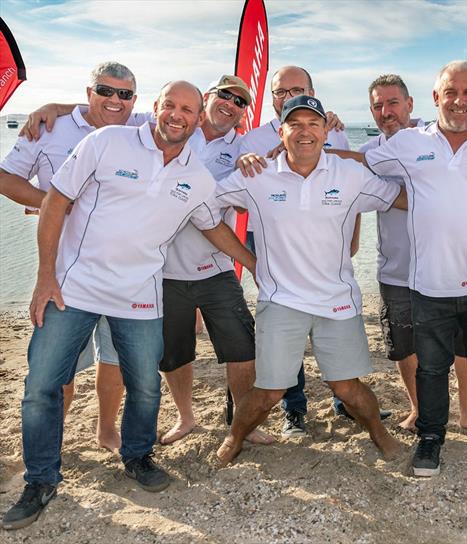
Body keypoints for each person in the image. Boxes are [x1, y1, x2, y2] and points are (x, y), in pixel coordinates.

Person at [2, 81, 255, 531]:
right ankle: (40, 480)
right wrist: (44, 277)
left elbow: (213, 226)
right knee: (42, 385)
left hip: (140, 293)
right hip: (73, 288)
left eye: (187, 110)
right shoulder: (107, 141)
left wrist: (255, 264)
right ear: (154, 108)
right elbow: (56, 202)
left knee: (145, 387)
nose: (178, 116)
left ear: (198, 120)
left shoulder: (196, 176)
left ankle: (138, 457)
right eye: (170, 106)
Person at [335, 61, 467, 476]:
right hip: (427, 284)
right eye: (451, 93)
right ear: (436, 98)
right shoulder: (408, 144)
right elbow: (360, 164)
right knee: (433, 367)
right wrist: (308, 148)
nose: (459, 101)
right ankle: (431, 437)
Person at [215, 94, 405, 466]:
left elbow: (399, 198)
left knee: (347, 387)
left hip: (337, 300)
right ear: (281, 131)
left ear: (325, 130)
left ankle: (380, 435)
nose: (305, 132)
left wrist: (460, 193)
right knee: (270, 391)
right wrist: (248, 260)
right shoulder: (257, 174)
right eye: (295, 124)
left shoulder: (348, 174)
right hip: (281, 299)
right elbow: (202, 208)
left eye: (313, 124)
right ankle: (235, 437)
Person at [0, 61, 139, 453]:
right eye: (104, 91)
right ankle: (52, 437)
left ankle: (106, 430)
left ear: (134, 100)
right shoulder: (49, 128)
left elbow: (184, 113)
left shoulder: (137, 128)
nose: (114, 100)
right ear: (88, 91)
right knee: (57, 366)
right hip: (62, 270)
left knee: (113, 359)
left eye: (124, 94)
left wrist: (56, 102)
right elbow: (4, 177)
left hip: (121, 271)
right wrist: (53, 203)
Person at [237, 65, 360, 438]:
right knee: (284, 327)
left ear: (313, 90)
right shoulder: (252, 139)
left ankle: (345, 402)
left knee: (332, 315)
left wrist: (351, 241)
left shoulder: (333, 129)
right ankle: (295, 409)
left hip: (323, 241)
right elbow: (240, 202)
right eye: (280, 91)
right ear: (272, 98)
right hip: (272, 243)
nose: (288, 96)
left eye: (297, 89)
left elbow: (350, 188)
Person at [156, 75, 271, 447]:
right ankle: (186, 417)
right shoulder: (173, 126)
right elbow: (110, 119)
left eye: (240, 102)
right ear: (208, 97)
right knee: (174, 352)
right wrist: (55, 108)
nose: (231, 104)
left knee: (242, 346)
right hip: (164, 268)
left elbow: (271, 163)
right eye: (225, 95)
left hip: (216, 264)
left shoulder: (242, 146)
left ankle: (243, 421)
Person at [358, 73, 467, 432]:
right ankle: (420, 409)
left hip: (451, 265)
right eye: (378, 105)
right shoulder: (367, 153)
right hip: (396, 268)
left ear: (411, 104)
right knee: (404, 346)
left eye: (393, 102)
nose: (386, 111)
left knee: (461, 346)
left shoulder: (437, 139)